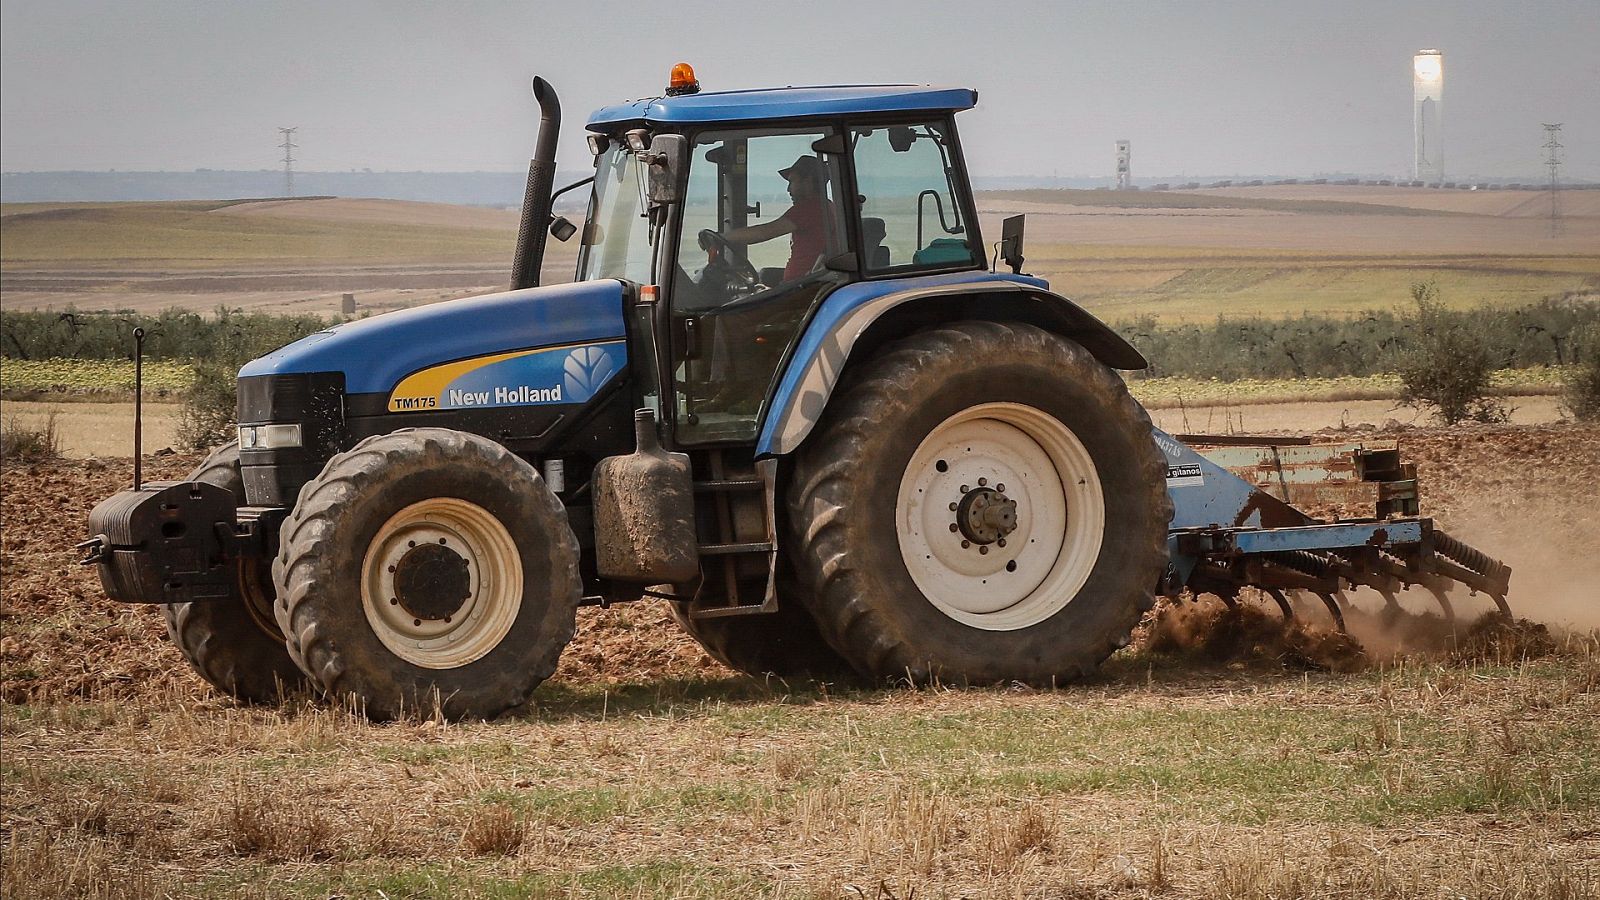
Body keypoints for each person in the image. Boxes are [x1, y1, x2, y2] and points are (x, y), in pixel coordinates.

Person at [703, 155, 835, 282]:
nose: (788, 189)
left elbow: (764, 232)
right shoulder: (826, 205)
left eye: (792, 181)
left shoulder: (809, 208)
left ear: (808, 181)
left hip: (801, 289)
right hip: (802, 282)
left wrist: (722, 237)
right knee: (763, 275)